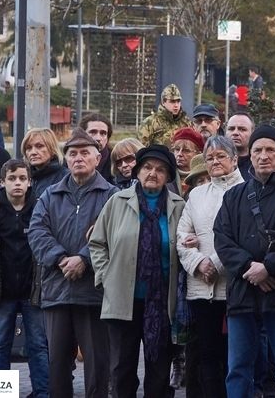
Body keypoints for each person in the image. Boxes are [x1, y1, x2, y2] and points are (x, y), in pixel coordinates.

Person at [213, 125, 275, 398]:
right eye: (258, 150)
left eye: (271, 150)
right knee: (238, 369)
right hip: (243, 295)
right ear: (250, 155)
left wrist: (269, 267)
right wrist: (249, 268)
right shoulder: (234, 196)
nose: (263, 155)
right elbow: (222, 238)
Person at [89, 145, 185, 397]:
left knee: (160, 371)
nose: (153, 173)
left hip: (163, 303)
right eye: (147, 167)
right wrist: (105, 277)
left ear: (168, 176)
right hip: (123, 300)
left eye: (160, 169)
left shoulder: (178, 206)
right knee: (121, 370)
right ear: (138, 171)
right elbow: (98, 243)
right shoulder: (117, 202)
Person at [28, 128, 117, 398]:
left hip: (94, 293)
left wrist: (84, 258)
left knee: (97, 366)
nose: (78, 158)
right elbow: (36, 232)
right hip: (56, 291)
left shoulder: (112, 196)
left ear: (98, 157)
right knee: (57, 365)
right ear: (65, 159)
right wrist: (61, 258)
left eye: (84, 153)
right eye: (72, 153)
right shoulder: (50, 195)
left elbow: (116, 235)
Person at [0, 159, 49, 398]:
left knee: (37, 344)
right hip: (2, 291)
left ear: (29, 182)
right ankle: (0, 392)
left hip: (32, 291)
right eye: (12, 178)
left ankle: (42, 392)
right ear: (2, 182)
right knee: (0, 344)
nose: (17, 183)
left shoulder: (40, 207)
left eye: (22, 179)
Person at [177, 136, 246, 397]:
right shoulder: (196, 194)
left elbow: (243, 238)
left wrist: (215, 263)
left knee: (234, 357)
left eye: (220, 156)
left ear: (234, 158)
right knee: (206, 355)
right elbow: (182, 236)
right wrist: (198, 262)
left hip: (233, 289)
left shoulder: (246, 190)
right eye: (210, 157)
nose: (215, 161)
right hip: (200, 290)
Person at [22, 127, 69, 200]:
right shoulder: (24, 177)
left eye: (39, 146)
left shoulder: (66, 177)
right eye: (28, 148)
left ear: (52, 149)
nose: (33, 152)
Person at [79, 112, 114, 184]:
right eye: (93, 132)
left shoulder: (117, 162)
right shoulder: (71, 161)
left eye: (103, 133)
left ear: (107, 138)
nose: (98, 138)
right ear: (82, 135)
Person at [169, 128, 205, 195]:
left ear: (198, 153)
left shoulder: (204, 176)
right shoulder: (167, 174)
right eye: (177, 149)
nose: (179, 154)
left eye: (186, 150)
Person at [226, 113, 255, 180]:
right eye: (231, 129)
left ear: (252, 133)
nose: (235, 133)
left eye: (242, 129)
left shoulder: (259, 165)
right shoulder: (215, 162)